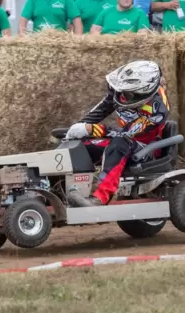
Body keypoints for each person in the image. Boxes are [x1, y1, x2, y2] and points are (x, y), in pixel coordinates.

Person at [65, 60, 171, 207]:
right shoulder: (121, 92)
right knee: (81, 146)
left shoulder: (157, 110)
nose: (121, 95)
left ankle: (100, 199)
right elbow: (102, 109)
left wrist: (91, 129)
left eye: (126, 94)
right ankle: (62, 192)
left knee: (118, 146)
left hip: (146, 148)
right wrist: (78, 128)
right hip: (124, 139)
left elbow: (126, 135)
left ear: (143, 93)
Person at [18, 0, 83, 35]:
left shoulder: (66, 1)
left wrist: (78, 40)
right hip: (38, 44)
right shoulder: (33, 1)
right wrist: (23, 37)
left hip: (60, 44)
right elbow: (23, 19)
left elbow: (77, 20)